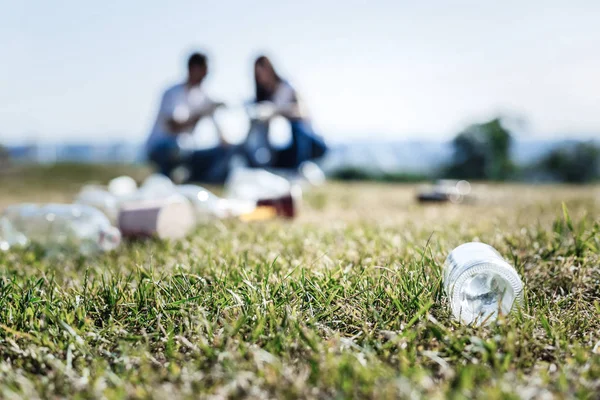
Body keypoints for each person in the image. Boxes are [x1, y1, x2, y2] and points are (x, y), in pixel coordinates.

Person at [146, 52, 233, 183]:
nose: (205, 77)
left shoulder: (202, 95)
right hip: (163, 148)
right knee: (179, 145)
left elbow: (220, 132)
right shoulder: (173, 93)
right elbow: (173, 127)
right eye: (203, 71)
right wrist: (200, 114)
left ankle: (195, 178)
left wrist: (227, 147)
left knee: (218, 152)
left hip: (187, 150)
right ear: (193, 69)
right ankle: (167, 178)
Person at [246, 55, 327, 169]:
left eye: (262, 73)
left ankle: (297, 169)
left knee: (296, 125)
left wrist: (276, 111)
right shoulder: (261, 97)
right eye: (257, 75)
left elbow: (303, 112)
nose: (261, 78)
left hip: (308, 142)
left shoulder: (288, 87)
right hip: (277, 147)